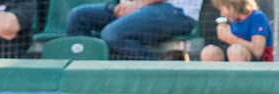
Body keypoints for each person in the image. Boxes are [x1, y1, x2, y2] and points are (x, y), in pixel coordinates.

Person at [66, 0, 202, 60]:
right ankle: (89, 78)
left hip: (177, 13)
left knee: (112, 34)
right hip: (142, 7)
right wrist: (125, 5)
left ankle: (155, 76)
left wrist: (135, 5)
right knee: (78, 16)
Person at [200, 0, 272, 62]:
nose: (221, 14)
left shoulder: (257, 17)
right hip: (235, 58)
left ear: (232, 6)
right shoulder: (234, 20)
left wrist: (231, 38)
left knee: (236, 51)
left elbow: (258, 52)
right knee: (209, 52)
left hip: (260, 62)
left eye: (222, 9)